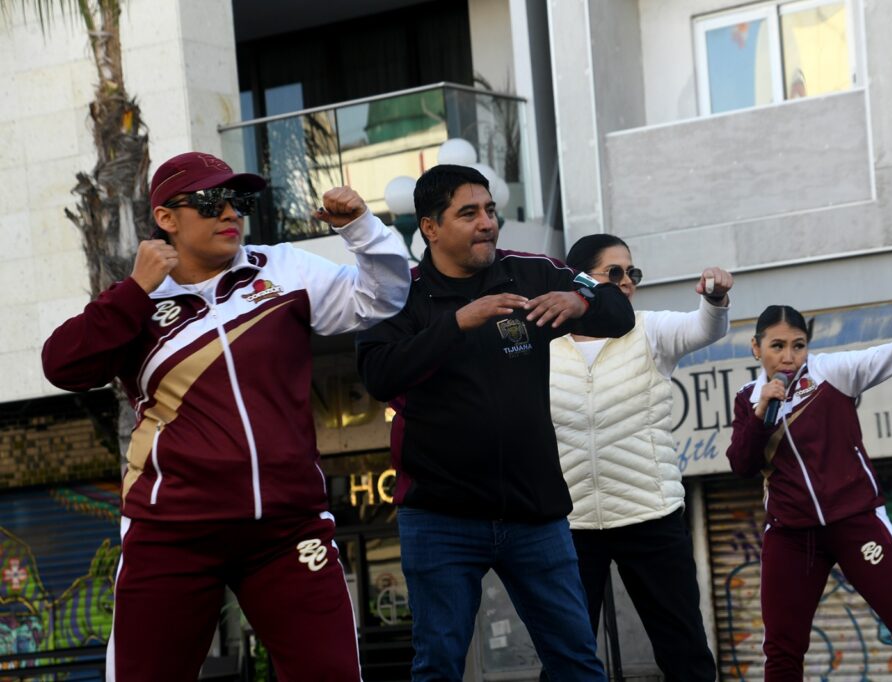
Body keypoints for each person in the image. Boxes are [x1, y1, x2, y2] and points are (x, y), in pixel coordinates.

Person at [41, 151, 412, 682]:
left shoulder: (283, 268)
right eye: (211, 202)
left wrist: (361, 229)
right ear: (166, 219)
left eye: (238, 201)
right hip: (171, 533)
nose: (230, 213)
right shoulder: (136, 303)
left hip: (287, 530)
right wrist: (134, 291)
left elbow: (383, 298)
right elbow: (62, 365)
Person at [356, 164, 635, 680]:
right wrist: (458, 323)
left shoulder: (532, 271)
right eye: (469, 213)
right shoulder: (399, 293)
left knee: (577, 662)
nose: (487, 222)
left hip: (535, 514)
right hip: (440, 517)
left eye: (490, 210)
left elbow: (618, 312)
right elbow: (377, 373)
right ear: (430, 227)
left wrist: (581, 299)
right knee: (438, 666)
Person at [726, 304, 892, 681]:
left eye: (798, 345)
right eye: (777, 346)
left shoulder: (831, 374)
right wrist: (761, 413)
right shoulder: (749, 399)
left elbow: (886, 356)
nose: (788, 357)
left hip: (856, 522)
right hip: (791, 534)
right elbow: (741, 463)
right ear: (756, 348)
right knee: (781, 650)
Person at [547, 234, 727, 681]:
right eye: (615, 273)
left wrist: (716, 299)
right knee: (564, 655)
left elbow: (704, 328)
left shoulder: (650, 329)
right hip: (571, 524)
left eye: (633, 273)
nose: (627, 282)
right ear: (581, 280)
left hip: (651, 515)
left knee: (683, 649)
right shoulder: (544, 343)